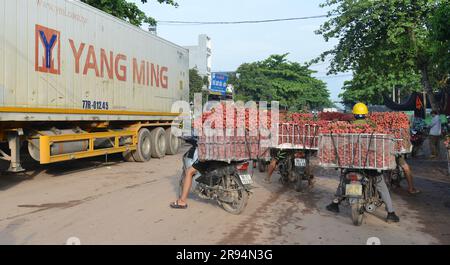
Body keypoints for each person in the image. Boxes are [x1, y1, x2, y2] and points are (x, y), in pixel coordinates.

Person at [326, 103, 400, 223]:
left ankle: (335, 203)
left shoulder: (347, 128)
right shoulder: (373, 128)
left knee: (344, 180)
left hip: (351, 163)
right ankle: (391, 213)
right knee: (381, 185)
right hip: (369, 164)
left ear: (354, 115)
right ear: (366, 115)